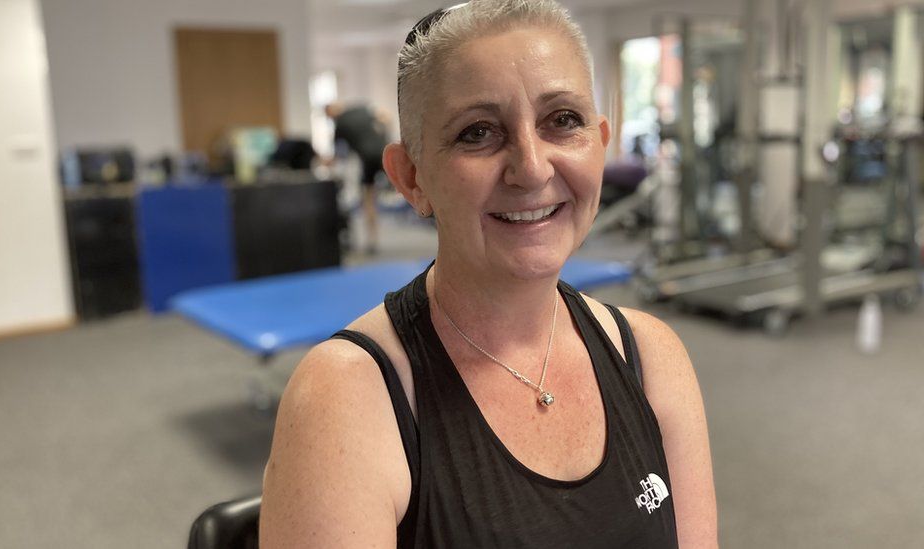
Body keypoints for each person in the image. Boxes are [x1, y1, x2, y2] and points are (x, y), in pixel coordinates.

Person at [261, 1, 717, 547]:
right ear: (411, 178)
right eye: (478, 132)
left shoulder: (652, 356)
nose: (531, 168)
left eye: (563, 121)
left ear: (599, 141)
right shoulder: (346, 398)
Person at [325, 102, 389, 254]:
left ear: (330, 113)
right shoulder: (361, 108)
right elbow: (385, 117)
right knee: (411, 185)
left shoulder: (338, 126)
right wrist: (384, 136)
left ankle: (372, 241)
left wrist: (327, 161)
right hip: (385, 151)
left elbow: (337, 156)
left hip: (368, 159)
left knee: (368, 198)